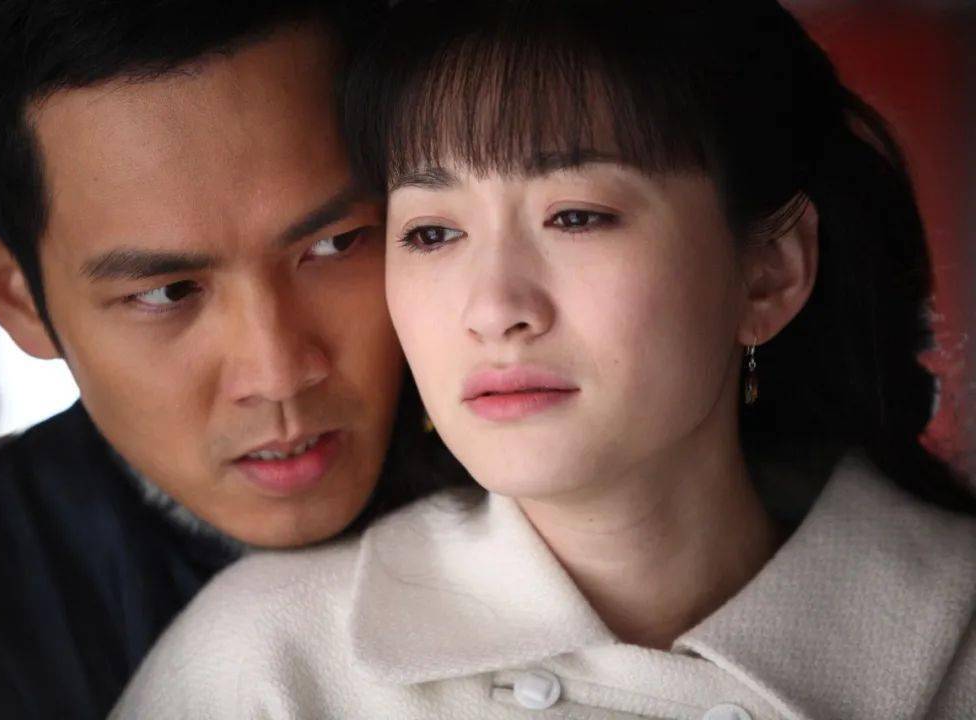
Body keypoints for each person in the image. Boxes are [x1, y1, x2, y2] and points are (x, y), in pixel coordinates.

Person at [112, 0, 976, 718]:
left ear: (768, 273)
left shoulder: (951, 633)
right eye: (433, 233)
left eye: (576, 217)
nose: (494, 309)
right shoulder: (271, 665)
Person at [0, 1, 466, 717]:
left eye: (334, 244)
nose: (278, 373)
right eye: (167, 293)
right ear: (15, 298)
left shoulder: (559, 457)